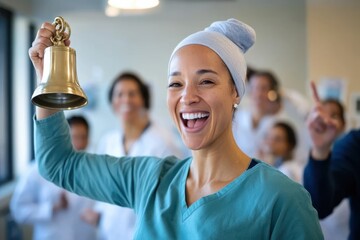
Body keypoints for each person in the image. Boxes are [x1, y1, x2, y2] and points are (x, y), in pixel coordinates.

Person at [30, 18, 323, 239]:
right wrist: (48, 79)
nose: (187, 96)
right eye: (175, 84)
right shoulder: (149, 181)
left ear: (236, 92)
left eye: (206, 81)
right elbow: (58, 163)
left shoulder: (281, 199)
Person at [82, 72, 185, 240]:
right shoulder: (108, 141)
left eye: (132, 94)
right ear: (112, 102)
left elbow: (174, 198)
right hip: (108, 233)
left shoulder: (163, 143)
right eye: (119, 94)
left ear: (143, 99)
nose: (126, 100)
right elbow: (102, 186)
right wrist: (98, 213)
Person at [10, 115, 96, 240]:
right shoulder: (36, 170)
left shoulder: (92, 169)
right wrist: (52, 208)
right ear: (64, 138)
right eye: (75, 137)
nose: (80, 143)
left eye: (84, 137)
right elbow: (18, 210)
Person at [304, 86, 358, 239]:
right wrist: (320, 149)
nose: (326, 121)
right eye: (323, 115)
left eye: (333, 115)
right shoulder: (353, 146)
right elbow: (319, 205)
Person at [232, 71, 309, 165]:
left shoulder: (281, 123)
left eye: (263, 88)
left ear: (273, 92)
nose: (258, 94)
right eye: (254, 88)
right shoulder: (236, 118)